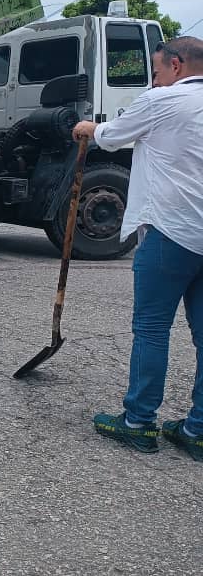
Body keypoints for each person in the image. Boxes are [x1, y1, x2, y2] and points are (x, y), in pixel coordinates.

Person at [72, 36, 203, 462]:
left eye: (157, 70)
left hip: (170, 232)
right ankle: (197, 430)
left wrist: (88, 128)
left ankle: (138, 422)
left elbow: (111, 136)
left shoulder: (163, 100)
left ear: (178, 66)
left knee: (151, 329)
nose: (155, 78)